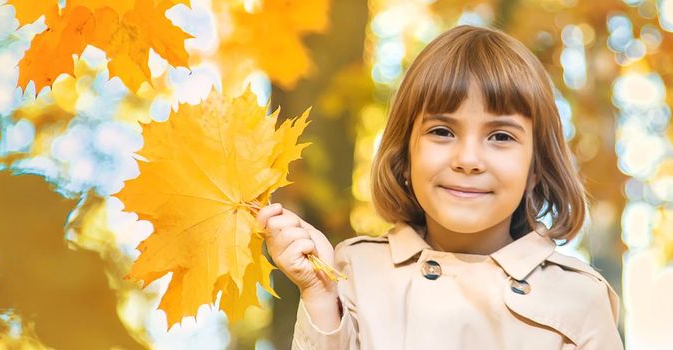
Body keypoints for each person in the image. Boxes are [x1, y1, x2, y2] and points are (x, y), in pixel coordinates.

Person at [256, 24, 623, 349]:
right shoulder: (353, 270)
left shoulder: (578, 299)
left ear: (536, 165)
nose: (468, 159)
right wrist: (319, 293)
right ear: (406, 152)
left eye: (500, 136)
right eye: (442, 132)